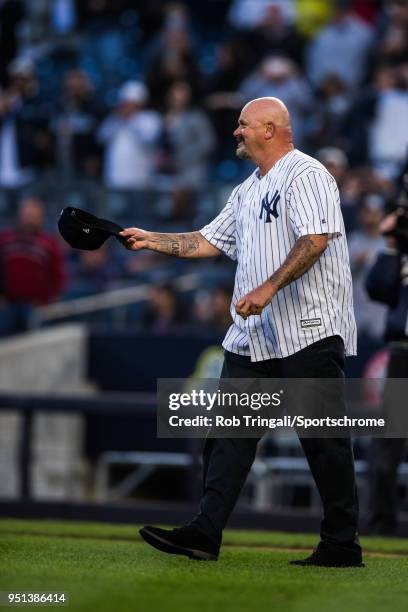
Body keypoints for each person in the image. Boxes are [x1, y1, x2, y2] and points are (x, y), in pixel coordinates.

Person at [120, 97, 363, 568]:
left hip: (309, 328)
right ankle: (204, 532)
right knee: (229, 433)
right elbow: (208, 242)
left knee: (322, 439)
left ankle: (341, 543)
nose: (236, 132)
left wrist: (269, 287)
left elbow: (315, 238)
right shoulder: (248, 189)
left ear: (270, 129)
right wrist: (153, 239)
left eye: (243, 124)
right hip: (256, 336)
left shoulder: (307, 173)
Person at [0, 197, 67, 335]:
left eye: (34, 216)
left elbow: (58, 276)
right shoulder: (4, 239)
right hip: (6, 305)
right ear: (20, 215)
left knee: (33, 347)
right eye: (27, 215)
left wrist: (46, 302)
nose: (30, 219)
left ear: (41, 218)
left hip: (35, 306)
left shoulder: (49, 244)